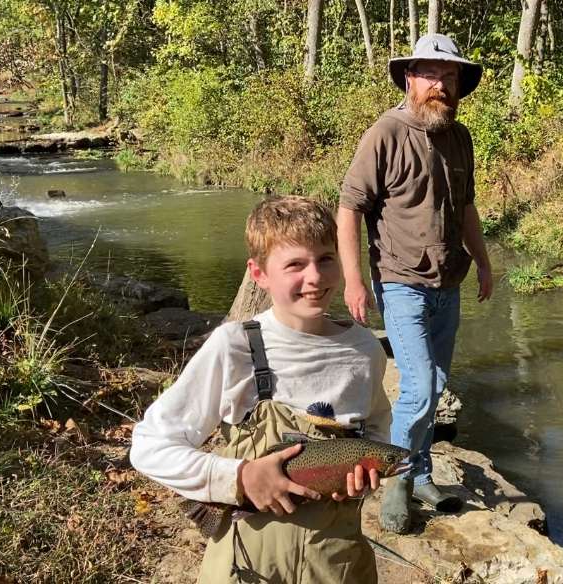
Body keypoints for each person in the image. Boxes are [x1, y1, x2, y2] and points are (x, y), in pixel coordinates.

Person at [130, 197, 392, 583]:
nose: (316, 277)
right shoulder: (234, 347)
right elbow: (149, 446)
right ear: (259, 274)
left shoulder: (365, 350)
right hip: (247, 562)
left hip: (335, 561)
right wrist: (239, 477)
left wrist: (360, 482)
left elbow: (376, 430)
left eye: (325, 258)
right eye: (295, 265)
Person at [336, 33, 493, 535]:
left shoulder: (459, 136)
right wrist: (354, 281)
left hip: (449, 280)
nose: (440, 85)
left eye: (449, 77)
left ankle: (423, 473)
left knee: (437, 384)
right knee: (420, 389)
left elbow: (466, 206)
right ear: (410, 78)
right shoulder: (384, 133)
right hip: (401, 281)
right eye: (430, 75)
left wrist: (484, 262)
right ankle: (396, 487)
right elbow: (349, 209)